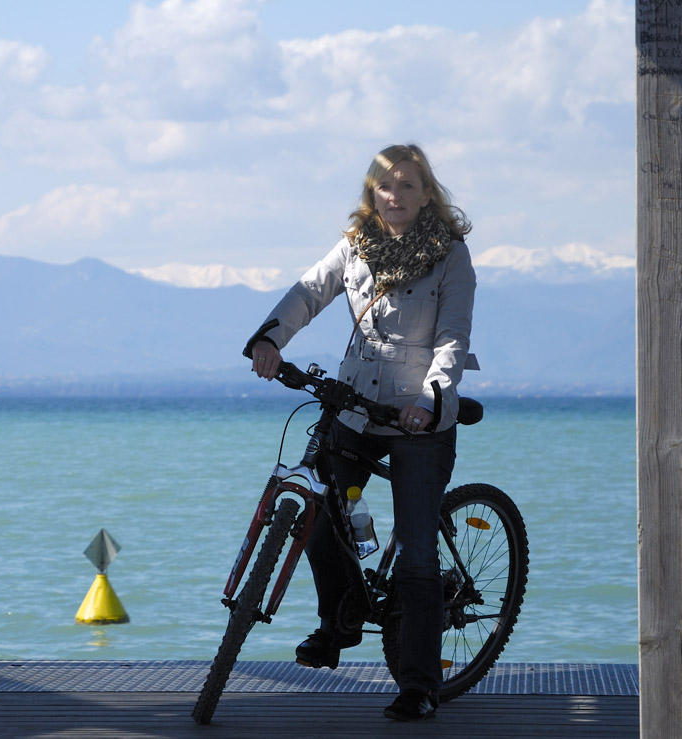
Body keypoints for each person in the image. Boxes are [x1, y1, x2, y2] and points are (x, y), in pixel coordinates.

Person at [245, 143, 477, 722]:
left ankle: (419, 686)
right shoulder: (355, 245)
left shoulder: (451, 256)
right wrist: (271, 339)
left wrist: (431, 400)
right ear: (371, 193)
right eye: (384, 186)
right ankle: (338, 622)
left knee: (417, 554)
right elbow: (308, 292)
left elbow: (452, 339)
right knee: (322, 518)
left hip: (418, 418)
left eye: (406, 186)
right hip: (355, 406)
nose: (393, 196)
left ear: (428, 195)